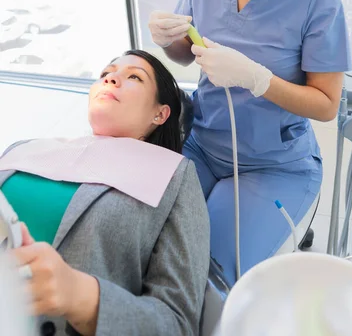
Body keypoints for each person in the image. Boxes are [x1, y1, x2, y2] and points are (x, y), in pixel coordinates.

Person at [149, 0, 352, 287]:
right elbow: (190, 55)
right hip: (202, 146)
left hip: (272, 164)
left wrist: (257, 79)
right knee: (145, 242)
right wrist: (170, 42)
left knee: (207, 276)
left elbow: (325, 105)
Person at [0, 50, 210, 336]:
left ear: (160, 113)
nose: (111, 78)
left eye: (134, 76)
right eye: (105, 74)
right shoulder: (22, 149)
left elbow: (178, 323)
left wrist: (81, 297)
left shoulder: (173, 176)